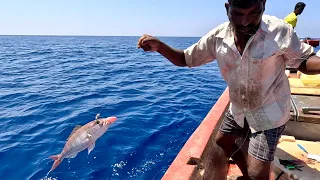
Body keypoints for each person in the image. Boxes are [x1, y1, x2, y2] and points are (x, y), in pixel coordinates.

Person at [137, 0, 320, 179]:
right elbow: (185, 59)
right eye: (237, 14)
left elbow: (303, 61)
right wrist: (160, 46)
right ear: (227, 8)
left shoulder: (279, 31)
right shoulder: (218, 37)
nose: (245, 22)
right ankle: (249, 175)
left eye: (254, 13)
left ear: (264, 5)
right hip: (239, 107)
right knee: (222, 140)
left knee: (258, 173)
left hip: (271, 109)